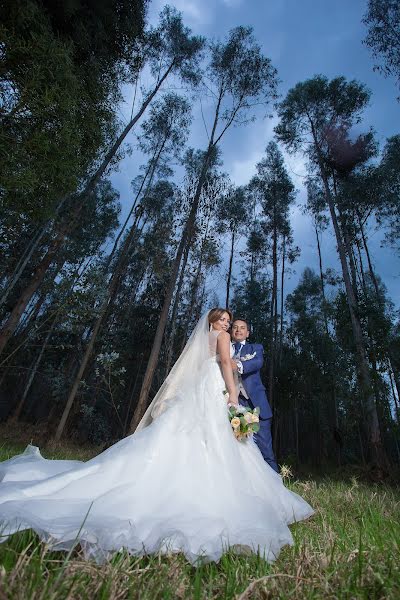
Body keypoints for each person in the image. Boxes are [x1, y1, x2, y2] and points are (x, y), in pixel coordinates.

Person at [0, 308, 313, 565]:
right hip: (216, 389)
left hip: (203, 387)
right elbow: (229, 368)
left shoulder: (204, 339)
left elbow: (208, 365)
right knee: (219, 441)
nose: (228, 324)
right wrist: (232, 395)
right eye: (225, 320)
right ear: (214, 322)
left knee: (190, 436)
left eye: (230, 322)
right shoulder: (221, 338)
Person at [231, 318, 279, 472]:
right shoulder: (225, 349)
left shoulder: (255, 348)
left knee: (265, 450)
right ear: (231, 331)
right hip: (234, 405)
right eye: (235, 327)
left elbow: (257, 362)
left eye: (242, 328)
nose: (238, 330)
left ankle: (277, 488)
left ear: (247, 333)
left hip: (256, 405)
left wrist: (238, 364)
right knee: (239, 451)